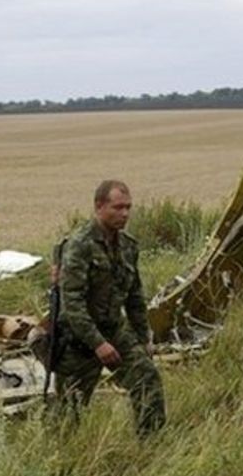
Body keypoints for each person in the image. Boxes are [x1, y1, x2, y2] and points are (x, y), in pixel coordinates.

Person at [53, 180, 166, 437]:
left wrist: (143, 335)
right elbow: (72, 304)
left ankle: (151, 444)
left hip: (114, 329)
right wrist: (97, 344)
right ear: (99, 207)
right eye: (117, 207)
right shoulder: (79, 246)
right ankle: (63, 461)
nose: (125, 214)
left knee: (147, 379)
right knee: (69, 411)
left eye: (128, 207)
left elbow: (135, 296)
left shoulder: (128, 246)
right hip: (78, 338)